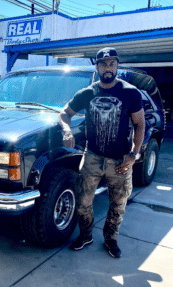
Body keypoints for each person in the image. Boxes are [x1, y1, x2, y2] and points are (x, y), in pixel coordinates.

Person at [58, 47, 145, 258]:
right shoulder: (86, 93)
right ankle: (86, 235)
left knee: (118, 204)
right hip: (92, 157)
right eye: (103, 64)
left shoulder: (130, 93)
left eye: (112, 64)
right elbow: (64, 114)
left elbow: (139, 124)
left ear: (117, 66)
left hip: (121, 160)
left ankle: (110, 239)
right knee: (83, 201)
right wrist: (67, 130)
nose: (108, 68)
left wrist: (134, 154)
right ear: (96, 67)